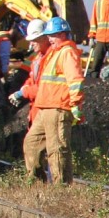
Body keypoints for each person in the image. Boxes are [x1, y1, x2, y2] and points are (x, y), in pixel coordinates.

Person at [20, 16, 84, 185]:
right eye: (48, 35)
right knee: (31, 142)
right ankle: (36, 185)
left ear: (63, 34)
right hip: (46, 107)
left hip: (58, 107)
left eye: (53, 35)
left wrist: (76, 104)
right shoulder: (53, 53)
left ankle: (61, 191)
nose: (49, 39)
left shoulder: (67, 52)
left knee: (56, 150)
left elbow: (75, 80)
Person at [9, 19, 52, 124]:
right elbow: (32, 78)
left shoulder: (50, 57)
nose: (31, 44)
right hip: (38, 107)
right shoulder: (38, 57)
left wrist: (22, 93)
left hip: (47, 108)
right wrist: (25, 86)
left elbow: (43, 88)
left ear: (44, 38)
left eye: (34, 40)